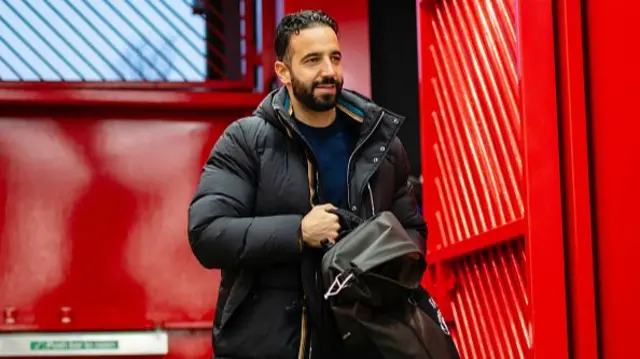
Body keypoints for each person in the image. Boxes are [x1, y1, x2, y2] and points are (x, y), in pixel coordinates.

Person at [187, 9, 427, 359]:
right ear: (283, 71)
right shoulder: (245, 141)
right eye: (313, 60)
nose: (328, 71)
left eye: (334, 57)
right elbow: (207, 233)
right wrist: (298, 232)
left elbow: (413, 231)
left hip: (366, 341)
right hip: (275, 345)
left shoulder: (382, 146)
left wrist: (382, 260)